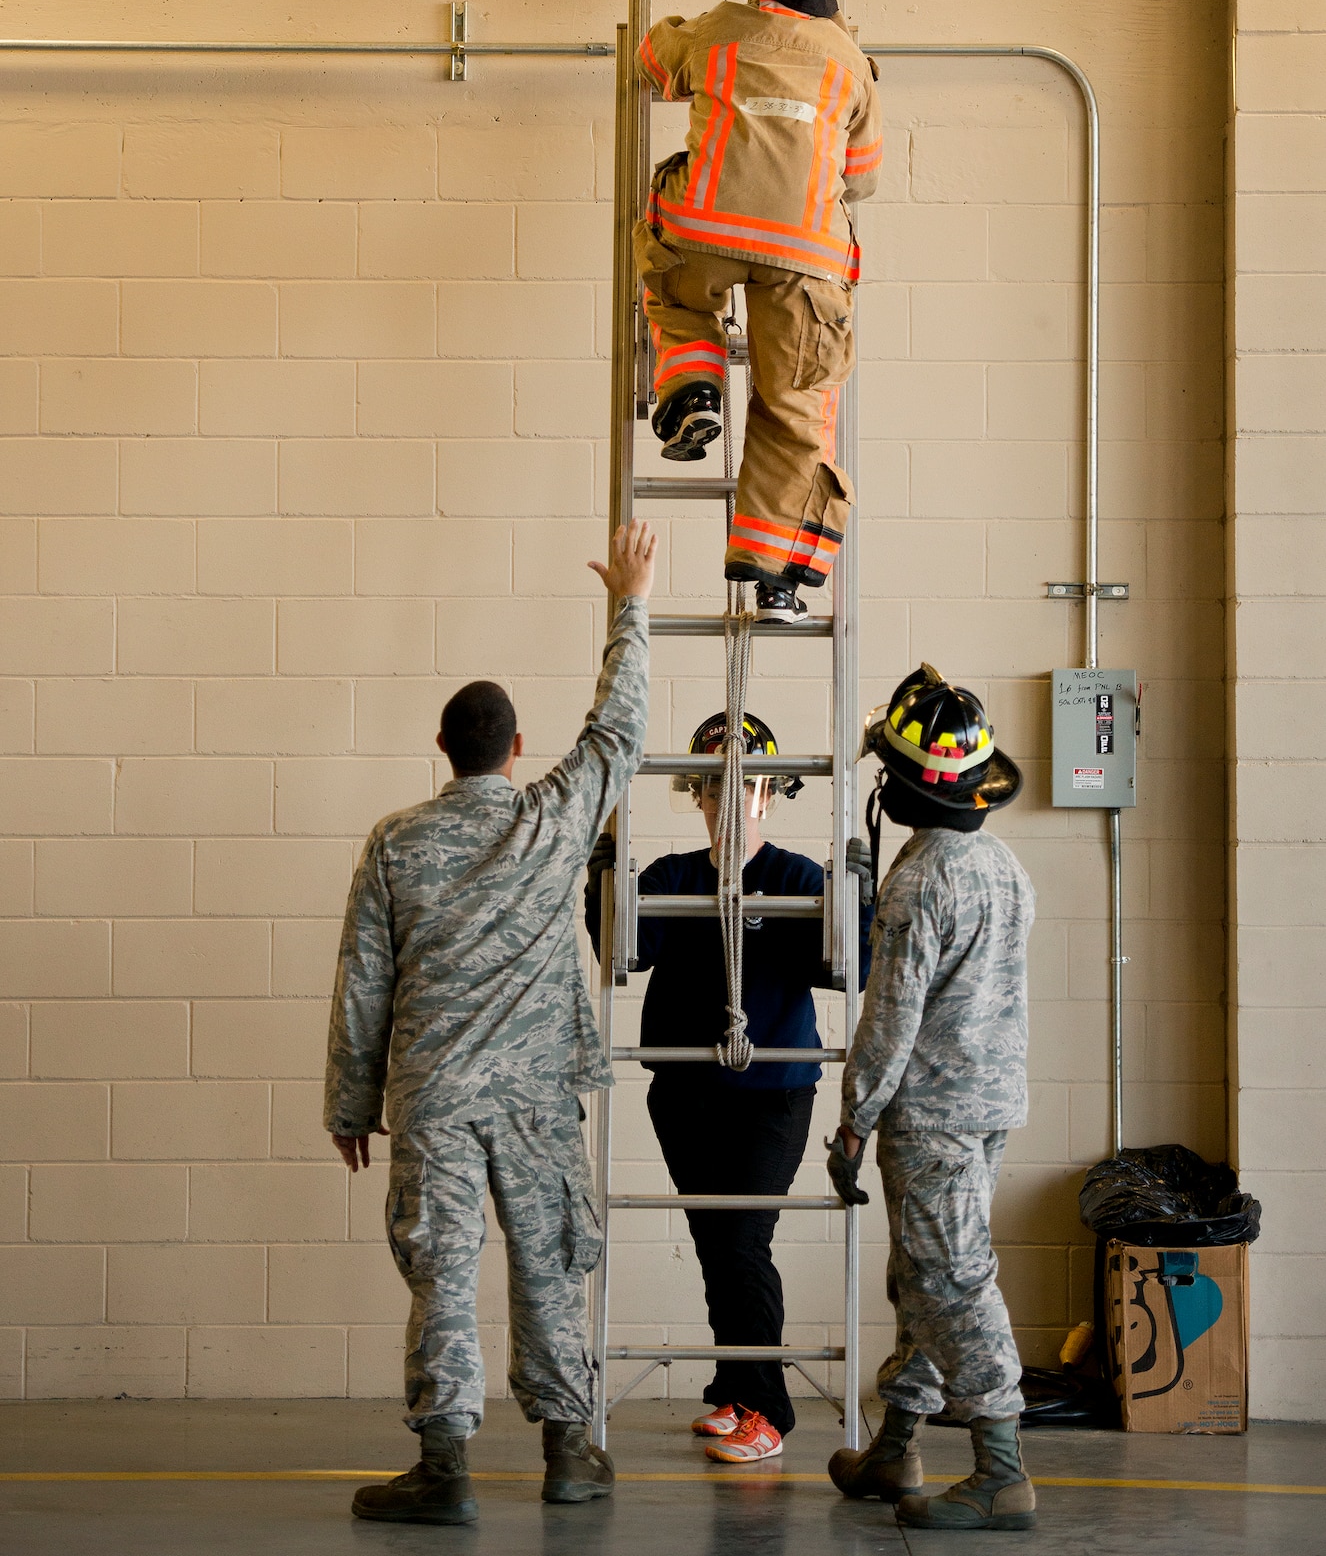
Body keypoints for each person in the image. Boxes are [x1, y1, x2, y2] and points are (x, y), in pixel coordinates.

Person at [323, 519, 657, 1527]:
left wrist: (350, 1102)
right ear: (515, 748)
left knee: (441, 1272)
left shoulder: (394, 840)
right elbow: (619, 729)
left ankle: (444, 1466)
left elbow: (361, 981)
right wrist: (629, 604)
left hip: (431, 1095)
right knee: (551, 1259)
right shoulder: (553, 817)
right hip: (536, 1095)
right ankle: (568, 1453)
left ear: (442, 749)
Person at [585, 710, 873, 1465]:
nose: (729, 798)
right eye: (713, 787)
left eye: (746, 785)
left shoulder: (794, 879)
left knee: (743, 1241)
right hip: (682, 1092)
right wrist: (603, 880)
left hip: (772, 1092)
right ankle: (735, 1390)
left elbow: (853, 971)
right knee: (718, 1241)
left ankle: (768, 1410)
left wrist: (858, 905)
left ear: (772, 794)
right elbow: (625, 954)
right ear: (698, 795)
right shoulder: (675, 877)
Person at [822, 664, 1036, 1533]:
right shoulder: (1002, 865)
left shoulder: (920, 883)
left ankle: (1002, 1470)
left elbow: (891, 1018)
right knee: (922, 1276)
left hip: (933, 1117)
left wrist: (852, 1121)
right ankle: (896, 1445)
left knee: (950, 1282)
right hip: (989, 1108)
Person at [634, 0, 884, 626]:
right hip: (806, 258)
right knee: (796, 409)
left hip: (703, 232)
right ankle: (771, 572)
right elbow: (862, 177)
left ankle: (695, 387)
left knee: (675, 292)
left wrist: (685, 33)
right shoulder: (849, 62)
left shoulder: (715, 31)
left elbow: (653, 60)